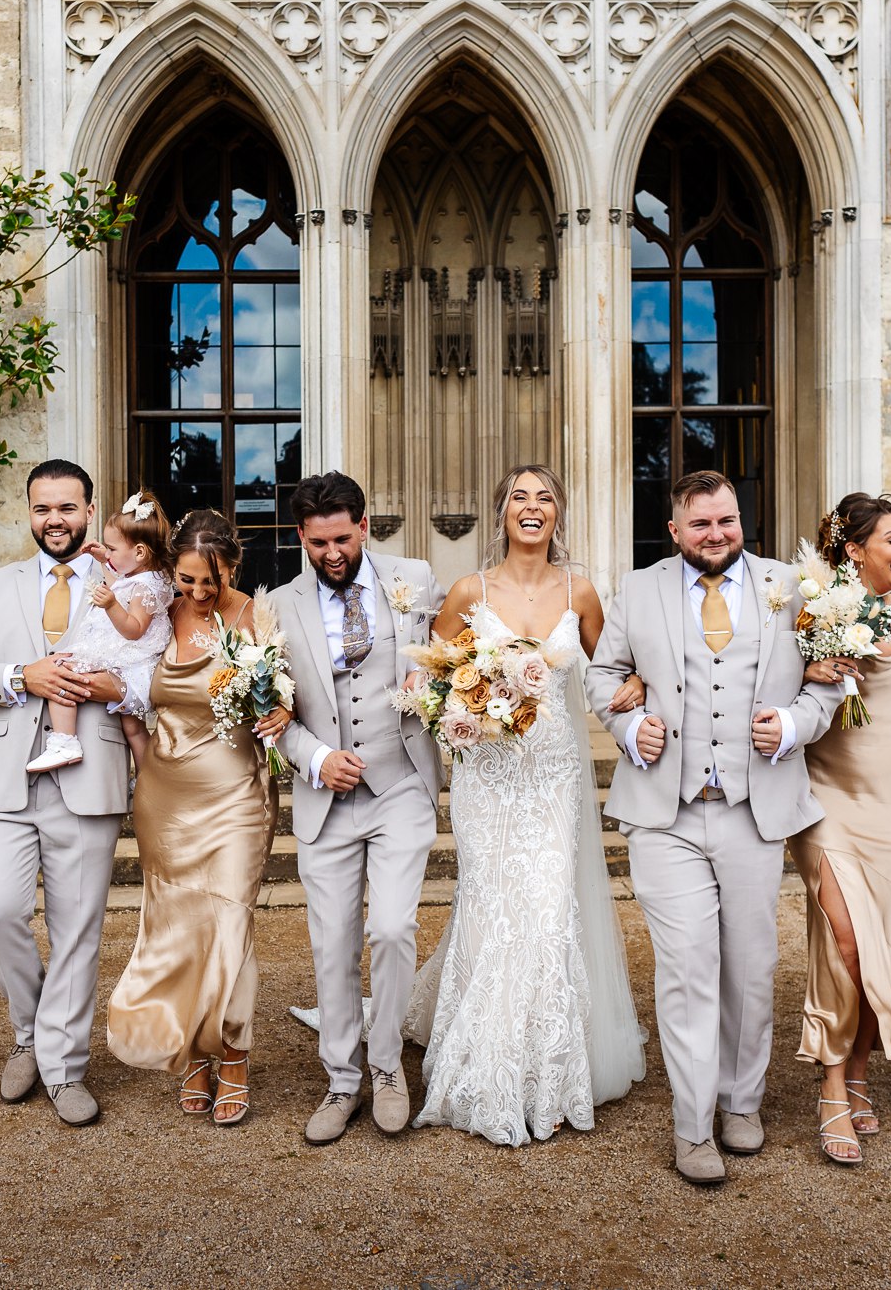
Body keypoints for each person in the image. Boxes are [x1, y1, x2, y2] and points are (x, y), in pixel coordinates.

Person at [587, 470, 841, 1185]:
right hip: (664, 813)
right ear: (675, 530)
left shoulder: (794, 587)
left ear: (741, 520)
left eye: (726, 520)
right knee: (688, 967)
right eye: (700, 524)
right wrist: (632, 725)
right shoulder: (638, 590)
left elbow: (829, 679)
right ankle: (693, 1124)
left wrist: (794, 723)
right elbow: (600, 676)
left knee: (751, 967)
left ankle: (741, 1101)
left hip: (754, 809)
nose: (716, 534)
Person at [403, 466, 648, 1147]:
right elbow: (430, 679)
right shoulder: (468, 591)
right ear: (501, 510)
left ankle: (546, 1068)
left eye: (544, 497)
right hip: (487, 778)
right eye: (519, 496)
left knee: (545, 907)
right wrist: (462, 708)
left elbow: (609, 670)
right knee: (488, 901)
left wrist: (636, 689)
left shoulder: (581, 591)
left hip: (553, 775)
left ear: (558, 514)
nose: (531, 507)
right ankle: (484, 1053)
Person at [0, 458, 129, 1127]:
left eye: (67, 508)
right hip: (0, 779)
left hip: (86, 776)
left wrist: (101, 685)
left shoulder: (123, 586)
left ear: (89, 511)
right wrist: (20, 675)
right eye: (43, 508)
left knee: (77, 932)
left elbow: (147, 672)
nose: (55, 520)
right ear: (30, 512)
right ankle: (30, 1030)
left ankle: (65, 1065)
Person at [270, 471, 444, 1145]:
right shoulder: (279, 606)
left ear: (365, 527)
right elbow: (271, 710)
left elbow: (446, 655)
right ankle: (342, 1080)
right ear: (301, 538)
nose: (332, 553)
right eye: (318, 543)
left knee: (395, 928)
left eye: (342, 538)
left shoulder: (416, 577)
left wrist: (426, 676)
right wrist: (314, 757)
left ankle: (388, 1066)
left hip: (400, 782)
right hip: (326, 799)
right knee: (332, 943)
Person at [106, 510, 286, 1126]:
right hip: (165, 792)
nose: (199, 594)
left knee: (229, 919)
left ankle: (231, 1053)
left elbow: (291, 691)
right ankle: (193, 1052)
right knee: (178, 924)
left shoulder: (259, 616)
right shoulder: (156, 611)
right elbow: (107, 656)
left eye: (211, 581)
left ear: (233, 566)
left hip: (236, 792)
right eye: (187, 581)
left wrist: (283, 713)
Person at [788, 492, 891, 1165]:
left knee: (875, 941)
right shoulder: (815, 607)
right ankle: (832, 1088)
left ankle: (858, 1072)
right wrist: (810, 664)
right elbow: (773, 683)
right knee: (845, 940)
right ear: (854, 549)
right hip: (827, 799)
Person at [26, 491, 174, 773]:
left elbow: (133, 629)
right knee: (134, 729)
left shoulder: (145, 587)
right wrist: (106, 559)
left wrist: (110, 605)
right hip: (128, 663)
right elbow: (120, 575)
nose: (108, 553)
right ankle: (148, 782)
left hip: (129, 662)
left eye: (113, 548)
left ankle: (65, 741)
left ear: (140, 552)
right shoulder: (142, 575)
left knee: (61, 670)